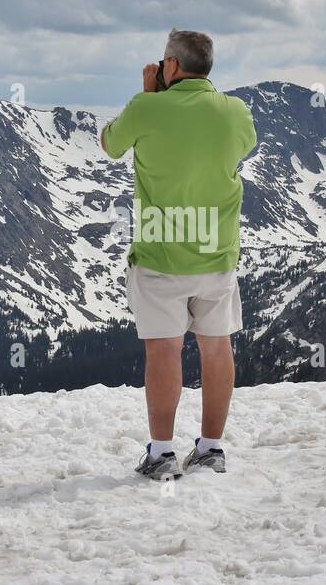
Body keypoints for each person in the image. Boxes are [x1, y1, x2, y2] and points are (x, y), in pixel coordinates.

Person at [101, 29, 257, 480]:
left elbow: (110, 145)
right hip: (216, 252)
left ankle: (162, 454)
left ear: (170, 66)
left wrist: (149, 96)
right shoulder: (235, 112)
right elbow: (241, 148)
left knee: (165, 350)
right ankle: (211, 448)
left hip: (160, 254)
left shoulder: (147, 107)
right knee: (216, 347)